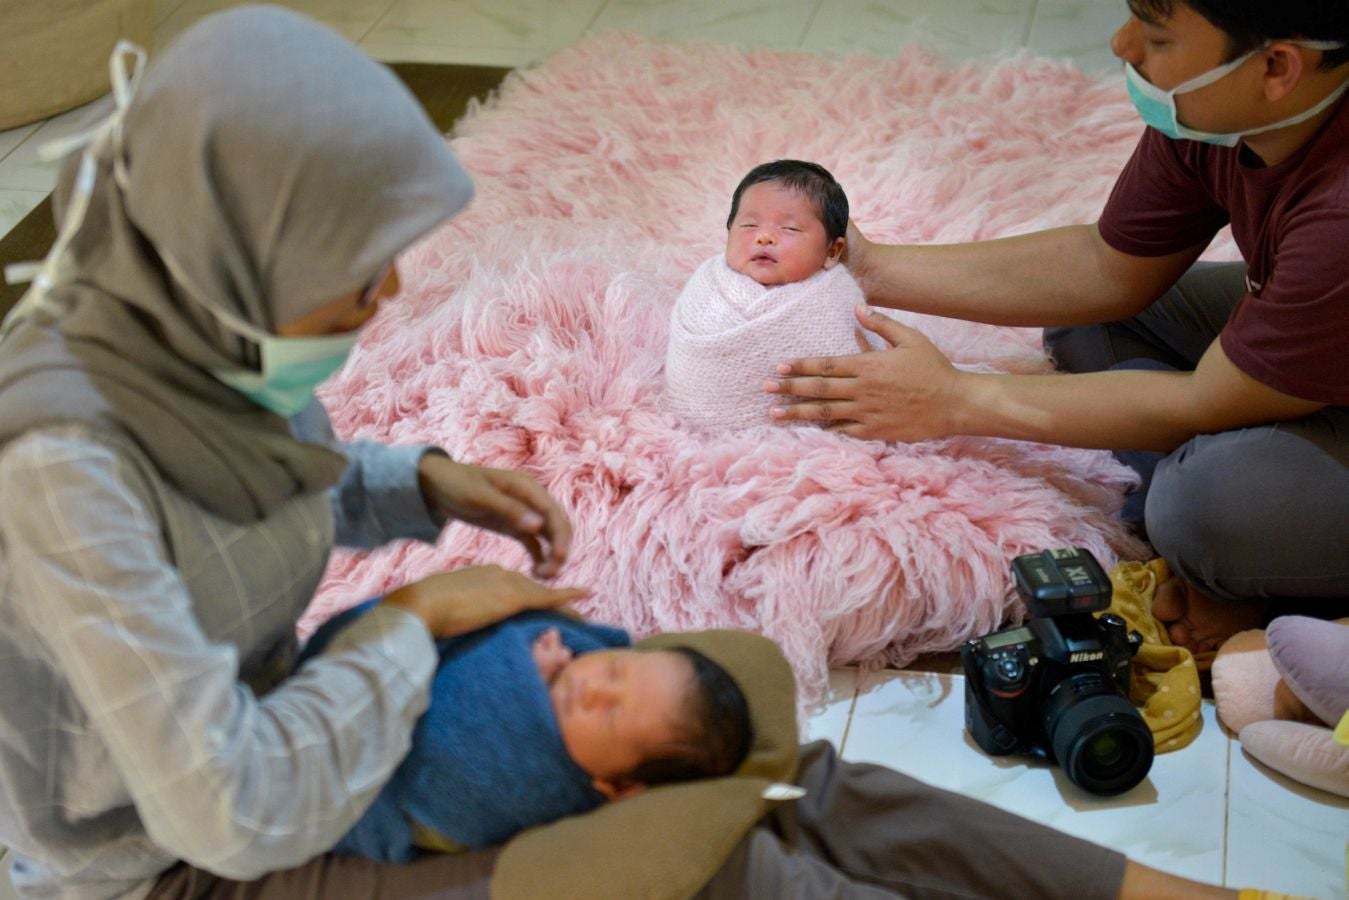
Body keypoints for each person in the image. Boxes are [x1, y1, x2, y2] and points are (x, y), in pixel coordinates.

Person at [0, 7, 587, 898]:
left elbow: (258, 489)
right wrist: (411, 619)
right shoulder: (60, 468)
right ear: (236, 263)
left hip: (280, 734)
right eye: (355, 271)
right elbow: (230, 812)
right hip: (153, 857)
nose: (388, 291)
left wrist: (424, 483)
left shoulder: (198, 334)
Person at [764, 0, 1349, 656]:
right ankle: (1271, 492)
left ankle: (1272, 554)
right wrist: (865, 266)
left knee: (1197, 506)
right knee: (1093, 328)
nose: (1121, 45)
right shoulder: (1219, 116)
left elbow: (1203, 400)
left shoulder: (1336, 216)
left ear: (1275, 67)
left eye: (1154, 36)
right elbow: (1107, 268)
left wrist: (951, 399)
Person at [293, 608, 751, 861]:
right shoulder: (572, 652)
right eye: (615, 669)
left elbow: (458, 755)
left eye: (610, 715)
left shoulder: (549, 792)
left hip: (351, 790)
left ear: (621, 786)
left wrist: (518, 675)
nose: (592, 688)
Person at [663, 159, 870, 431]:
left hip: (804, 443)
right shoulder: (709, 282)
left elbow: (863, 364)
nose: (764, 237)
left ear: (832, 251)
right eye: (748, 225)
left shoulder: (835, 296)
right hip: (686, 427)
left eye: (790, 228)